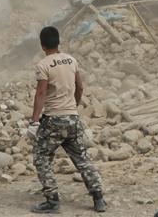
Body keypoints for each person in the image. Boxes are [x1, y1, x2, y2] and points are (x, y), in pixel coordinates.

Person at [30, 26, 106, 213]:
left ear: (42, 45)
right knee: (82, 159)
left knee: (41, 157)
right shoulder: (71, 60)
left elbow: (41, 93)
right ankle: (98, 198)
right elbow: (80, 87)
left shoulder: (43, 65)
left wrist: (34, 120)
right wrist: (74, 106)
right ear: (58, 42)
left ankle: (52, 200)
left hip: (53, 120)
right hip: (72, 118)